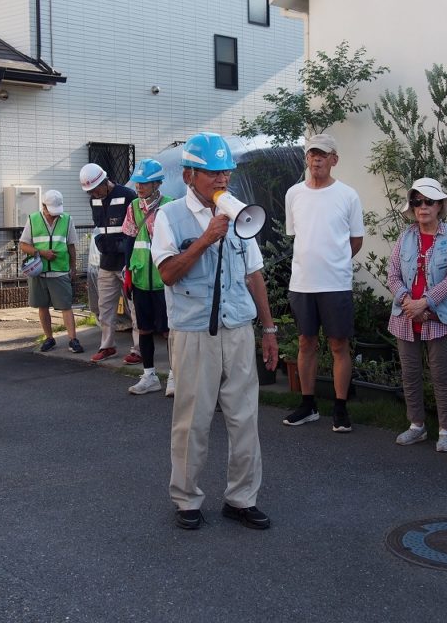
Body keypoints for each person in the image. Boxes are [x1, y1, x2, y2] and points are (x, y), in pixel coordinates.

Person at [151, 132, 279, 531]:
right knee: (192, 419)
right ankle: (187, 499)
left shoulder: (239, 212)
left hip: (237, 328)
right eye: (212, 172)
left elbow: (254, 274)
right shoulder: (170, 217)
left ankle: (242, 498)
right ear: (189, 175)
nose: (222, 179)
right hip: (193, 332)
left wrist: (269, 328)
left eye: (226, 171)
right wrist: (205, 240)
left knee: (245, 417)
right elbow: (167, 273)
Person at [281, 133, 364, 433]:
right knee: (306, 343)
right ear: (306, 158)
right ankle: (308, 405)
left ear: (334, 160)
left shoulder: (348, 195)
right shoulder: (294, 194)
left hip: (335, 284)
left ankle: (340, 408)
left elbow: (356, 240)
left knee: (339, 344)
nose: (316, 159)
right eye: (311, 154)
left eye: (322, 154)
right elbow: (296, 235)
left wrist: (335, 262)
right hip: (302, 283)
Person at [387, 178, 447, 452]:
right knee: (410, 374)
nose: (423, 207)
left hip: (439, 316)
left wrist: (425, 303)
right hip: (406, 315)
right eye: (417, 201)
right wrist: (408, 301)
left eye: (429, 201)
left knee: (440, 375)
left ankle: (446, 430)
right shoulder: (405, 238)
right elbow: (392, 274)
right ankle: (416, 426)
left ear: (440, 205)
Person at [121, 158, 174, 396]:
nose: (139, 187)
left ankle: (174, 376)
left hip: (164, 279)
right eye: (137, 182)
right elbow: (129, 240)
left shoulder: (170, 205)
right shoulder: (133, 207)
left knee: (169, 331)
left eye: (144, 183)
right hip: (140, 276)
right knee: (143, 329)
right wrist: (128, 273)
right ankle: (149, 376)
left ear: (157, 183)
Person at [80, 163, 140, 364]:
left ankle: (139, 350)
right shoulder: (94, 200)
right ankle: (107, 346)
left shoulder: (128, 195)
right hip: (106, 262)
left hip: (126, 261)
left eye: (96, 189)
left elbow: (136, 228)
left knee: (134, 307)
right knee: (104, 307)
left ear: (105, 181)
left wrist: (130, 256)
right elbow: (99, 227)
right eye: (90, 192)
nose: (94, 194)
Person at [17, 190, 84, 354]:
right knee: (42, 306)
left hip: (60, 270)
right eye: (51, 211)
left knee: (66, 306)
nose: (54, 215)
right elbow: (23, 245)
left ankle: (73, 339)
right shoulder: (33, 219)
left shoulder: (67, 219)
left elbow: (71, 245)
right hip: (38, 271)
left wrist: (73, 266)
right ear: (44, 206)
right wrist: (41, 253)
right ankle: (49, 338)